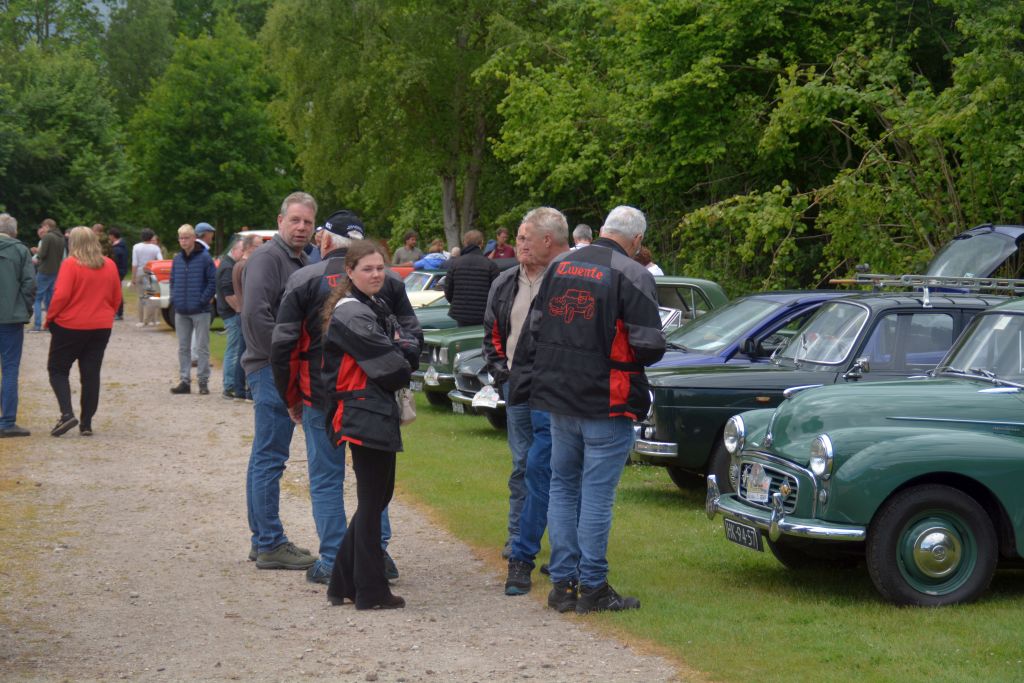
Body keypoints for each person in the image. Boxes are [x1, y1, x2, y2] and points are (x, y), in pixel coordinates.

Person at [515, 205, 665, 614]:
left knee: (562, 487)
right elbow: (650, 345)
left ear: (602, 229)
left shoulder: (561, 266)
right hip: (606, 399)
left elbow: (534, 328)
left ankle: (563, 584)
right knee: (596, 496)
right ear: (636, 240)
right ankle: (593, 585)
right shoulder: (631, 273)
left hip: (559, 397)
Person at [272, 209, 421, 585]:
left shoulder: (304, 278)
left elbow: (284, 346)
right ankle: (377, 553)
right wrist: (402, 359)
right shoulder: (383, 280)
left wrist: (290, 396)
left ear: (325, 240)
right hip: (370, 396)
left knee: (327, 478)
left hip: (320, 395)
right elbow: (412, 334)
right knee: (372, 480)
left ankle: (335, 557)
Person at [321, 240, 419, 610]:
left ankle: (343, 582)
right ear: (349, 272)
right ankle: (371, 590)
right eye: (368, 269)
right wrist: (401, 351)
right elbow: (393, 365)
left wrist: (401, 348)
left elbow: (410, 342)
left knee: (377, 497)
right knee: (373, 498)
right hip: (362, 411)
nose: (376, 274)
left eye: (380, 268)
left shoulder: (373, 305)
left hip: (373, 410)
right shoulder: (351, 313)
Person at [481, 208, 569, 586]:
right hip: (516, 386)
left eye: (523, 239)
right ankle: (517, 536)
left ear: (546, 241)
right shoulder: (504, 282)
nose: (517, 245)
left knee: (553, 466)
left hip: (554, 390)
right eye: (517, 238)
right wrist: (503, 373)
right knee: (522, 463)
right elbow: (491, 334)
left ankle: (557, 547)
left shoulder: (567, 281)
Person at [242, 192, 316, 570]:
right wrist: (283, 364)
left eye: (307, 221)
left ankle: (262, 539)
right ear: (280, 220)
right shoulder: (267, 259)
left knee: (265, 456)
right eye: (295, 220)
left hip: (279, 368)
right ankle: (270, 541)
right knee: (271, 457)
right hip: (271, 369)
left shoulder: (301, 259)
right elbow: (255, 315)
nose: (302, 227)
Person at [45, 226, 123, 437]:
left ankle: (67, 413)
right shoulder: (109, 265)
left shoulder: (71, 264)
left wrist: (50, 317)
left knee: (57, 369)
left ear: (73, 243)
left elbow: (60, 296)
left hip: (70, 325)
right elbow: (117, 297)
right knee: (90, 373)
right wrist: (107, 314)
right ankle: (87, 422)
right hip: (100, 326)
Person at [169, 224, 216, 395]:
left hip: (200, 310)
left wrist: (202, 300)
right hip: (181, 310)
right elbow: (172, 281)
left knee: (202, 347)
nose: (183, 241)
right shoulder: (177, 259)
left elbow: (212, 282)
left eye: (186, 238)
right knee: (183, 347)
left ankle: (203, 382)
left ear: (194, 238)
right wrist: (175, 299)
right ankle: (184, 381)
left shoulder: (205, 258)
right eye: (181, 238)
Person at [0, 213, 35, 438]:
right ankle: (7, 421)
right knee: (10, 368)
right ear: (14, 231)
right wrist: (25, 308)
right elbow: (30, 283)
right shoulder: (21, 251)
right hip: (10, 318)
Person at [443, 229, 499, 326]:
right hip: (484, 314)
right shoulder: (490, 265)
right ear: (481, 243)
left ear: (465, 243)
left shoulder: (455, 263)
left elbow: (448, 289)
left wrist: (457, 303)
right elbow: (497, 292)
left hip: (461, 314)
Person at [230, 234, 262, 401]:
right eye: (258, 245)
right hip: (245, 313)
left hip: (240, 312)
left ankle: (240, 389)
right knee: (248, 353)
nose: (261, 247)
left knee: (243, 352)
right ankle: (245, 390)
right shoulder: (246, 265)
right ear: (249, 247)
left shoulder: (238, 265)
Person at [217, 237, 245, 399]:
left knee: (234, 349)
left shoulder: (229, 265)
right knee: (233, 351)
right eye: (241, 251)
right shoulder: (228, 267)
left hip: (229, 313)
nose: (243, 254)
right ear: (234, 250)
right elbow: (228, 294)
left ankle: (231, 384)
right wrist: (240, 311)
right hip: (231, 314)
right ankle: (229, 385)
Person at [31, 218, 64, 331]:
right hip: (56, 270)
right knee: (49, 299)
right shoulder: (61, 237)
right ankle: (49, 324)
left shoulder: (48, 237)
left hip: (45, 270)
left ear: (47, 226)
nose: (42, 228)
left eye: (43, 226)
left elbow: (43, 254)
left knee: (37, 298)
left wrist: (36, 252)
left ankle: (37, 325)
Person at [131, 228, 163, 326]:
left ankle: (141, 321)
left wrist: (133, 278)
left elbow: (135, 263)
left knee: (141, 297)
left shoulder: (136, 247)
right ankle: (152, 320)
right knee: (153, 296)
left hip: (140, 273)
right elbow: (160, 260)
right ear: (151, 237)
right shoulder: (155, 248)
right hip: (151, 272)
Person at [109, 228, 130, 320]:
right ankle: (117, 311)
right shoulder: (121, 245)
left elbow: (115, 260)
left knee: (117, 291)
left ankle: (119, 312)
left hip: (118, 271)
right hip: (120, 270)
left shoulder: (117, 248)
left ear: (112, 236)